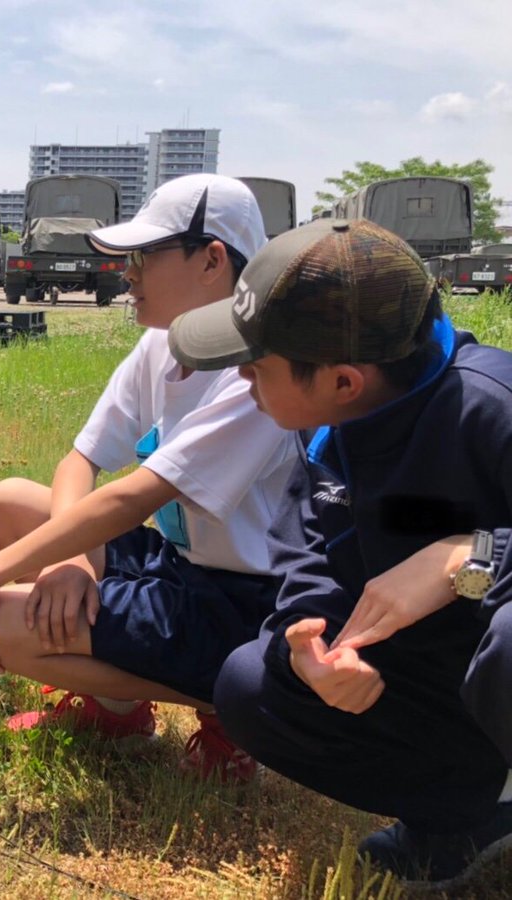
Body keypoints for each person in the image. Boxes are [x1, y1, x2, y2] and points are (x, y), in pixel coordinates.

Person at [168, 217, 512, 890]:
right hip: (453, 687)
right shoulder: (335, 425)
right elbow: (311, 553)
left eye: (256, 364)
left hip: (495, 664)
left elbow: (471, 567)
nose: (240, 377)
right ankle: (466, 816)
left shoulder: (492, 407)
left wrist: (469, 560)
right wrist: (308, 647)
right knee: (254, 684)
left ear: (345, 380)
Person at [0, 174, 297, 781]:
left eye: (145, 256)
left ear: (212, 261)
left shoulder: (255, 371)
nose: (128, 272)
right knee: (8, 505)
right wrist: (73, 562)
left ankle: (232, 716)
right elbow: (81, 460)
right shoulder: (164, 343)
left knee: (5, 621)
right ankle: (117, 712)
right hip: (181, 565)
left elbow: (138, 495)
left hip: (246, 603)